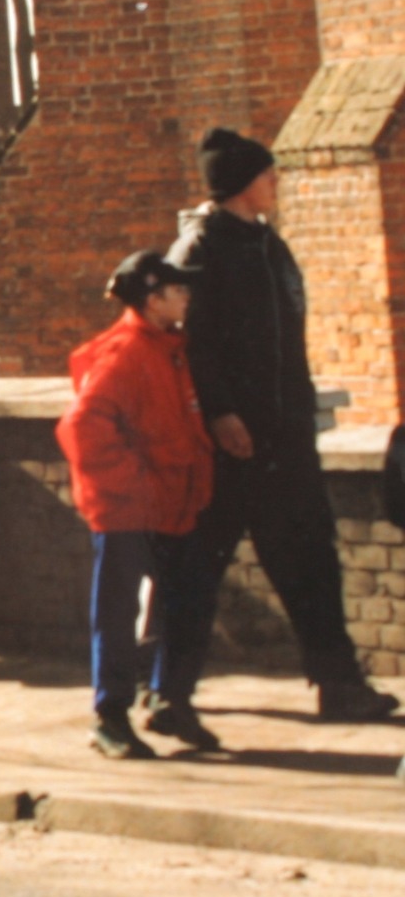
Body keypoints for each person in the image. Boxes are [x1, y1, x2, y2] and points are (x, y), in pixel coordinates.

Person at [167, 128, 397, 721]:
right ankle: (166, 691)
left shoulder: (271, 248)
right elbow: (190, 345)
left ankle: (339, 685)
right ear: (241, 183)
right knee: (197, 567)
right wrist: (219, 412)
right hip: (231, 445)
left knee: (313, 561)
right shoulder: (201, 250)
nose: (277, 185)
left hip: (285, 438)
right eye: (268, 175)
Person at [56, 252, 218, 759]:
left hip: (166, 504)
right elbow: (82, 428)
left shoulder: (165, 347)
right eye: (178, 290)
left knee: (181, 603)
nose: (186, 297)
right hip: (130, 510)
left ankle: (166, 700)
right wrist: (136, 485)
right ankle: (110, 716)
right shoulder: (127, 353)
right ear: (153, 300)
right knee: (120, 611)